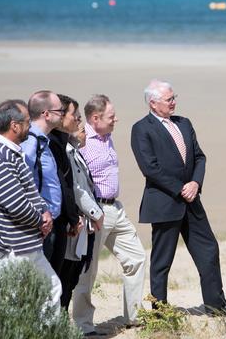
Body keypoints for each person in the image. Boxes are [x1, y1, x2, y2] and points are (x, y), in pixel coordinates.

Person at [131, 80, 226, 317]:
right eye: (169, 99)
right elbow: (150, 168)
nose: (174, 102)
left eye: (175, 97)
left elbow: (199, 157)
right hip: (165, 202)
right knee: (162, 261)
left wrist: (195, 183)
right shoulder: (141, 128)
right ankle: (159, 312)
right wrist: (180, 188)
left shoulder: (184, 123)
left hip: (192, 200)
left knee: (209, 250)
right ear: (153, 103)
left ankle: (216, 305)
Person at [72, 94, 145, 336]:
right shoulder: (83, 142)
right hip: (96, 213)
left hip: (117, 208)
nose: (116, 120)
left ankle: (133, 316)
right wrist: (89, 213)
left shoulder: (107, 137)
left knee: (136, 257)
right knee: (88, 271)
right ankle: (84, 326)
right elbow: (78, 182)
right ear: (95, 118)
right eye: (111, 117)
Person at [0, 99, 61, 313]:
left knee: (51, 288)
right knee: (15, 301)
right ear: (14, 126)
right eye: (27, 122)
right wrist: (40, 220)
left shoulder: (12, 152)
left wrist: (44, 210)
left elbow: (30, 192)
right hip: (15, 244)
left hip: (28, 241)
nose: (30, 126)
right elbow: (15, 204)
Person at [21, 91, 66, 273]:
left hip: (49, 223)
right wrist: (38, 213)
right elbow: (23, 181)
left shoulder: (43, 141)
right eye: (60, 110)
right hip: (38, 225)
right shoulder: (31, 143)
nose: (63, 114)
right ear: (46, 114)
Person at [48, 94, 85, 309]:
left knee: (62, 279)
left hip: (64, 222)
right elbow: (62, 186)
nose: (78, 120)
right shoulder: (50, 144)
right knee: (50, 282)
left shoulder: (63, 144)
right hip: (50, 223)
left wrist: (73, 217)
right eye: (74, 115)